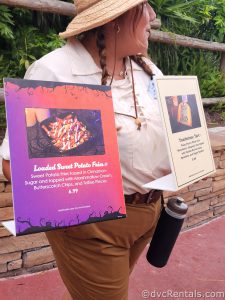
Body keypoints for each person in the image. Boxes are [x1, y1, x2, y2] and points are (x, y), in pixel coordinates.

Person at [0, 0, 171, 299]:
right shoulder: (55, 71)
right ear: (116, 19)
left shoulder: (146, 69)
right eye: (145, 6)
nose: (153, 16)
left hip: (148, 212)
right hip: (93, 229)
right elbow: (13, 166)